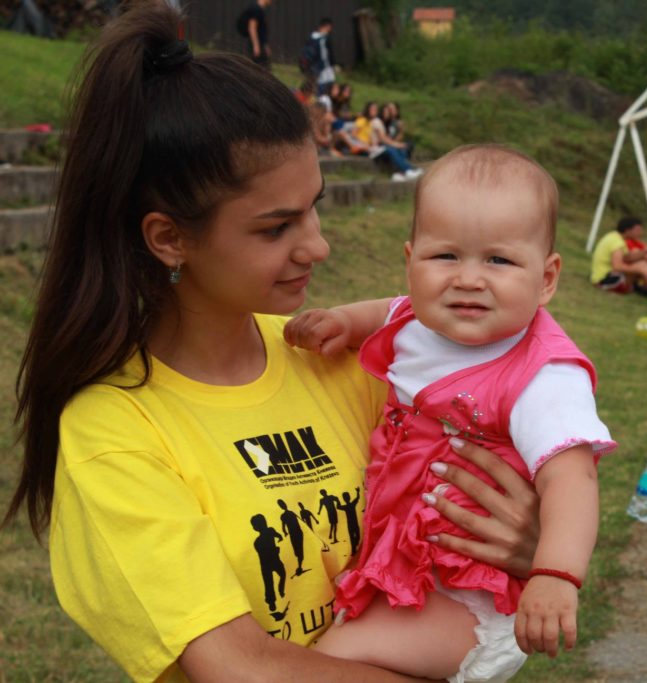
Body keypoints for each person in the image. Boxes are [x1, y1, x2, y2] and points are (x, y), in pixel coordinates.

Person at [1, 4, 541, 681]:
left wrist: (533, 546)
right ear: (169, 238)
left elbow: (470, 506)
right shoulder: (115, 432)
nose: (317, 245)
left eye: (314, 207)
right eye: (276, 227)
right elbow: (240, 665)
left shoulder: (337, 358)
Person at [283, 144, 616, 682]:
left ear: (547, 278)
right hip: (414, 573)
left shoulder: (543, 375)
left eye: (498, 260)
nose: (468, 278)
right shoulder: (416, 322)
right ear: (410, 260)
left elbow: (572, 479)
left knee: (325, 665)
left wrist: (555, 574)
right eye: (445, 257)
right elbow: (386, 311)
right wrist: (343, 321)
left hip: (471, 597)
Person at [354, 101, 423, 181]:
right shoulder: (375, 121)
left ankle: (400, 173)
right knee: (391, 149)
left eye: (376, 109)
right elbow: (382, 138)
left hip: (377, 148)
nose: (375, 111)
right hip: (374, 149)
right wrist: (397, 144)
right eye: (372, 109)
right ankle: (407, 170)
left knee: (399, 150)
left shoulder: (378, 122)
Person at [306, 17, 339, 96]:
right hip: (324, 68)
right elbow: (328, 55)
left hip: (313, 67)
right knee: (327, 88)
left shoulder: (311, 37)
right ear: (327, 26)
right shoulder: (325, 38)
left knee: (315, 88)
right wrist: (334, 65)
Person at [238, 0, 272, 69]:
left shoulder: (259, 9)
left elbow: (261, 31)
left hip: (260, 44)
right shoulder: (256, 9)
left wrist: (265, 46)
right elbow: (252, 28)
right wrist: (256, 46)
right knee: (256, 68)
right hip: (257, 45)